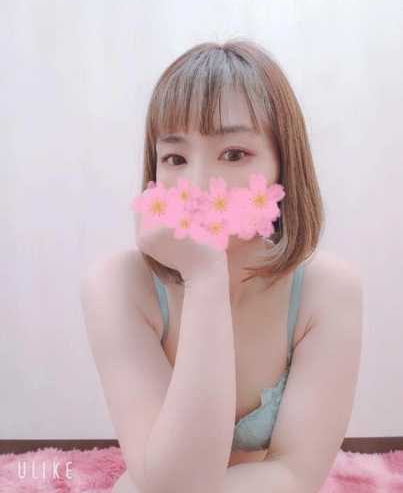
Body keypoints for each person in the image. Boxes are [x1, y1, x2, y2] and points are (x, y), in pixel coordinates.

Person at [81, 39, 362, 493]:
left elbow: (296, 475)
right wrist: (204, 277)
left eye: (233, 154)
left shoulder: (326, 290)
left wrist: (205, 273)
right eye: (175, 158)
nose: (197, 185)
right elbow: (172, 484)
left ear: (283, 164)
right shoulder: (118, 286)